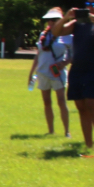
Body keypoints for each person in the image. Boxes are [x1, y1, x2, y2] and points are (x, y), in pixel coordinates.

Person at [49, 0, 94, 155]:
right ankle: (88, 146)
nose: (89, 7)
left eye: (93, 5)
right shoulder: (78, 23)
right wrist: (66, 18)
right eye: (87, 4)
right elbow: (56, 32)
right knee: (81, 108)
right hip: (78, 70)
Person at [30, 9, 71, 137]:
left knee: (61, 101)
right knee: (47, 102)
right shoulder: (44, 34)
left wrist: (64, 63)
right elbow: (39, 54)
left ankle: (66, 131)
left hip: (57, 73)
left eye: (54, 20)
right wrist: (31, 72)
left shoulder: (67, 35)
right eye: (49, 20)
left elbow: (73, 54)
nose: (51, 22)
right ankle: (51, 130)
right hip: (43, 71)